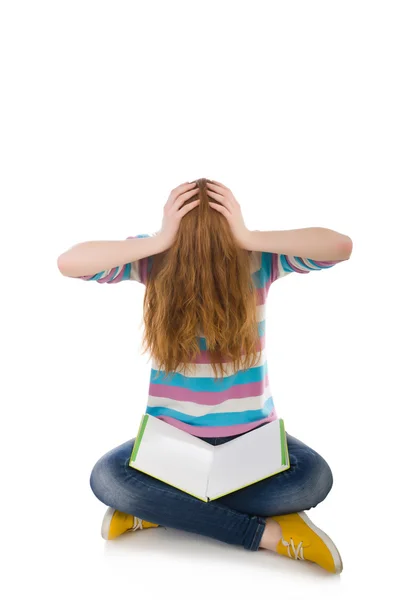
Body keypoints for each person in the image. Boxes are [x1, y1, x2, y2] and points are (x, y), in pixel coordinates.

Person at [57, 178, 353, 574]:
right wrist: (158, 240)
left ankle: (159, 509)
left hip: (251, 437)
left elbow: (339, 247)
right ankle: (265, 535)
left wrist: (248, 236)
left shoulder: (258, 258)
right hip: (172, 442)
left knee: (312, 478)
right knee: (107, 478)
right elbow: (69, 262)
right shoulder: (153, 260)